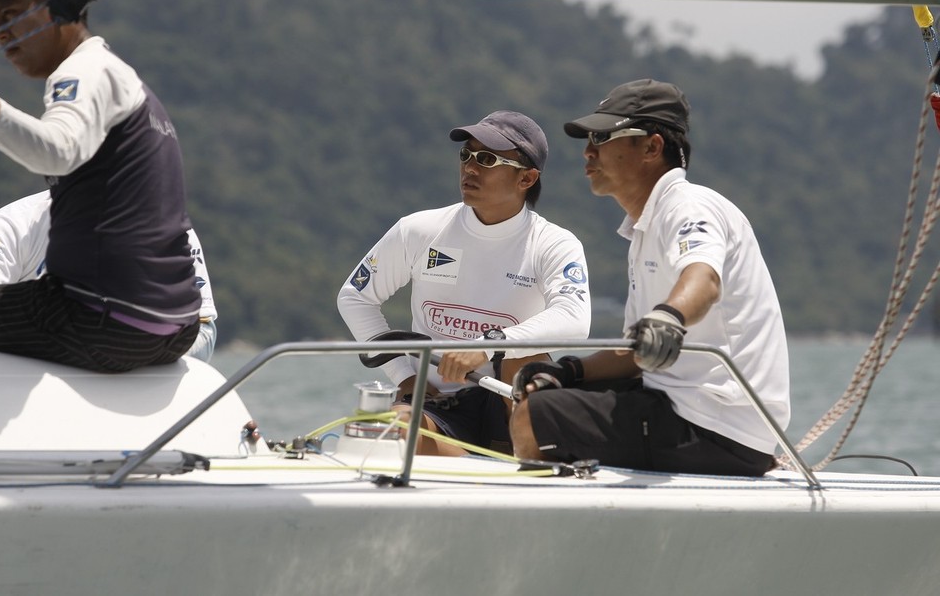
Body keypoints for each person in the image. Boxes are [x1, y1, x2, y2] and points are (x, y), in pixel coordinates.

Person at [0, 0, 200, 372]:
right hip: (174, 330)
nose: (0, 34)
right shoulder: (120, 78)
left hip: (100, 321)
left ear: (63, 6)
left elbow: (58, 152)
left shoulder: (84, 70)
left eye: (11, 14)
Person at [509, 79, 790, 477]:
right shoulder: (646, 227)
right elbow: (634, 356)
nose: (588, 151)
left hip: (715, 426)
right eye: (588, 138)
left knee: (535, 414)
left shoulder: (688, 206)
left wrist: (669, 317)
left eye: (603, 137)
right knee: (545, 389)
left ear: (653, 147)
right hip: (682, 410)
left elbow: (703, 278)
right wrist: (568, 370)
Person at [337, 110, 591, 455]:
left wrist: (487, 345)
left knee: (523, 362)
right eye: (466, 155)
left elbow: (575, 320)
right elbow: (355, 298)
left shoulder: (554, 243)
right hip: (439, 404)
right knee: (393, 431)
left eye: (487, 159)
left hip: (510, 400)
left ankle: (531, 471)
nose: (470, 168)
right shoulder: (418, 230)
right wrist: (405, 377)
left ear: (527, 179)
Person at [0, 191, 219, 362]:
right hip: (21, 372)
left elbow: (203, 330)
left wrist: (119, 356)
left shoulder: (169, 230)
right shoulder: (12, 223)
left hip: (129, 367)